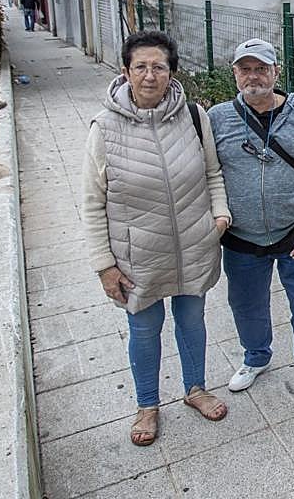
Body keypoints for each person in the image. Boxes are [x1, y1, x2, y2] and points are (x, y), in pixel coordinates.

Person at [80, 30, 232, 446]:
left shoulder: (195, 117)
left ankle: (195, 389)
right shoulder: (104, 128)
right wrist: (104, 265)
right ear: (126, 72)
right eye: (141, 66)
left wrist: (218, 217)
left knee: (192, 320)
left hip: (192, 245)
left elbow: (213, 174)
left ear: (172, 72)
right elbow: (92, 202)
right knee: (145, 330)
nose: (150, 75)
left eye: (159, 66)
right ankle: (147, 406)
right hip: (136, 255)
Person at [208, 38, 294, 401]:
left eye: (261, 68)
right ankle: (255, 357)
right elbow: (207, 173)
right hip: (241, 237)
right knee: (246, 304)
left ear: (276, 72)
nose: (254, 76)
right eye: (245, 69)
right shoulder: (218, 118)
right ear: (234, 74)